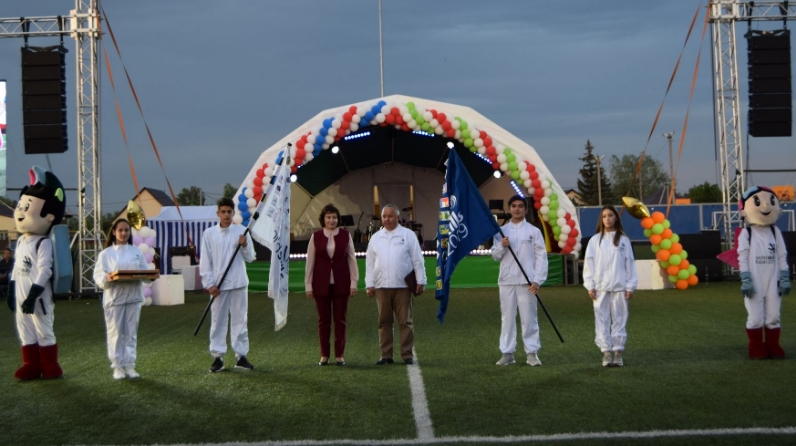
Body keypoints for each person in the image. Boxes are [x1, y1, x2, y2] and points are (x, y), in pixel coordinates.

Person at [7, 166, 67, 380]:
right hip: (21, 294)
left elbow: (44, 270)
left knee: (43, 329)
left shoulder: (43, 242)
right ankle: (31, 364)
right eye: (21, 206)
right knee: (24, 329)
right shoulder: (22, 240)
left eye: (27, 207)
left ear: (49, 216)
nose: (20, 211)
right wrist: (12, 290)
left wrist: (33, 295)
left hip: (39, 296)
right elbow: (17, 268)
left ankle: (50, 364)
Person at [200, 198, 256, 372]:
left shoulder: (242, 231)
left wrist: (245, 245)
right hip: (219, 286)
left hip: (239, 283)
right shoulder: (209, 234)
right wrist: (209, 284)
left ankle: (241, 356)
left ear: (233, 213)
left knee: (240, 320)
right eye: (223, 212)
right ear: (218, 213)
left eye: (229, 212)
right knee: (218, 320)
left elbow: (251, 257)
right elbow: (205, 261)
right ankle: (218, 357)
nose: (226, 215)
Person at [365, 204, 426, 365]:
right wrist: (369, 284)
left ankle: (407, 354)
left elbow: (417, 260)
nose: (387, 219)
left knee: (405, 322)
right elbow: (370, 263)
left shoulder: (408, 235)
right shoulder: (375, 238)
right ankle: (386, 355)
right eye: (384, 216)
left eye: (390, 216)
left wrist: (421, 280)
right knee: (384, 322)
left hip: (403, 287)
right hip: (381, 287)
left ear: (398, 218)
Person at [491, 195, 548, 367]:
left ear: (526, 209)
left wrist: (537, 280)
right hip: (506, 281)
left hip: (527, 282)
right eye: (514, 206)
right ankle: (507, 353)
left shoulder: (534, 231)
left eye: (520, 206)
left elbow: (541, 257)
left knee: (529, 318)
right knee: (507, 317)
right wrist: (502, 246)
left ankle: (532, 353)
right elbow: (495, 255)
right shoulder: (501, 231)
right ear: (510, 209)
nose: (517, 209)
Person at [93, 219, 150, 379]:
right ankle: (117, 367)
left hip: (134, 296)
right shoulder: (106, 254)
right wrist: (107, 277)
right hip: (114, 298)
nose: (123, 233)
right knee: (115, 333)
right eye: (120, 230)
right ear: (114, 232)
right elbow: (98, 275)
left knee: (131, 333)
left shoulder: (136, 252)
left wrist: (149, 277)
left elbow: (145, 273)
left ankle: (130, 366)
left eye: (126, 230)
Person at [737, 186, 790, 359]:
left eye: (771, 202)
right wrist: (745, 278)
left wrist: (784, 276)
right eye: (758, 202)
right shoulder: (746, 233)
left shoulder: (775, 232)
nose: (766, 206)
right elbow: (742, 257)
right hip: (754, 280)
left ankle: (772, 345)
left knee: (774, 315)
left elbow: (782, 255)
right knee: (755, 316)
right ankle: (756, 346)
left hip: (773, 280)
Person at [582, 205, 637, 367]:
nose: (607, 218)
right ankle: (606, 352)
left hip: (620, 287)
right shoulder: (595, 241)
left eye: (610, 215)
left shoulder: (623, 241)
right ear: (601, 219)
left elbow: (629, 263)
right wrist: (590, 285)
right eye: (604, 216)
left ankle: (618, 352)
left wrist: (630, 286)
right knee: (602, 319)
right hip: (600, 288)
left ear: (616, 218)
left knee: (619, 319)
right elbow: (589, 264)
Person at [305, 204, 358, 366]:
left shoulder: (346, 235)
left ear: (338, 219)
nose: (331, 220)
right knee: (324, 321)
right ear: (323, 219)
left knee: (340, 320)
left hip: (342, 284)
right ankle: (324, 355)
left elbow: (352, 260)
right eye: (328, 217)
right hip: (320, 285)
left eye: (334, 217)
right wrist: (308, 284)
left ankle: (339, 355)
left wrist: (354, 282)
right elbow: (310, 262)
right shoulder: (316, 237)